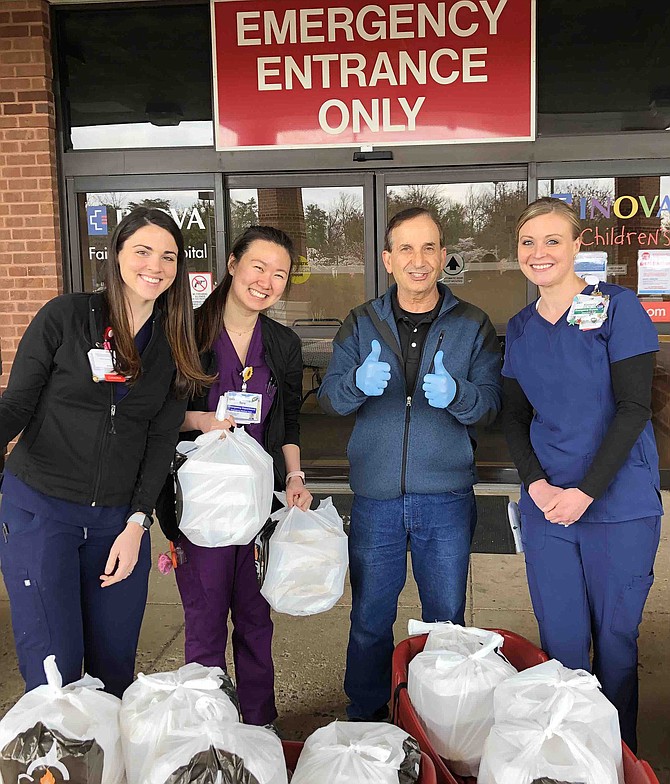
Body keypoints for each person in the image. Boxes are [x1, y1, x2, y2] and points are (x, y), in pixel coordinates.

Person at [0, 207, 209, 698]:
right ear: (116, 254)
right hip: (40, 513)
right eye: (142, 251)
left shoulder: (175, 343)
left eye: (168, 256)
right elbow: (15, 405)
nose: (154, 266)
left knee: (114, 675)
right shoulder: (67, 317)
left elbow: (160, 442)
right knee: (58, 677)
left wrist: (137, 523)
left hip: (116, 525)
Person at [318, 207, 502, 721]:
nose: (418, 261)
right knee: (371, 618)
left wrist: (458, 394)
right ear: (387, 259)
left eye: (428, 248)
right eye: (406, 249)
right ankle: (367, 714)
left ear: (444, 256)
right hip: (376, 496)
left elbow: (490, 404)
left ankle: (440, 718)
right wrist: (356, 384)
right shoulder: (361, 321)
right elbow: (330, 397)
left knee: (445, 620)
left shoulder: (471, 323)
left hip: (445, 496)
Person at [502, 196, 662, 752]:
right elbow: (515, 417)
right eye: (528, 242)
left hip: (619, 505)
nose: (538, 252)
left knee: (615, 644)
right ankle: (571, 755)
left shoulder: (616, 308)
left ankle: (617, 757)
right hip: (548, 508)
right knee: (562, 644)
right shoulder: (520, 330)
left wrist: (587, 492)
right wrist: (538, 485)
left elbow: (634, 408)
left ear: (576, 247)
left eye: (552, 240)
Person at [157, 225, 312, 728]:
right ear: (232, 265)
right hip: (199, 507)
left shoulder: (283, 344)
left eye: (280, 274)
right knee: (203, 622)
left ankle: (258, 725)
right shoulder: (185, 330)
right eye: (258, 267)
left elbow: (286, 420)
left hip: (256, 506)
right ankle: (208, 732)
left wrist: (294, 477)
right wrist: (201, 420)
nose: (266, 281)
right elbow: (158, 413)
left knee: (254, 619)